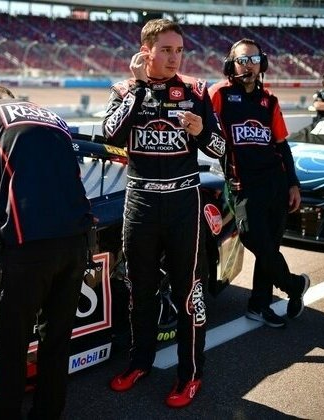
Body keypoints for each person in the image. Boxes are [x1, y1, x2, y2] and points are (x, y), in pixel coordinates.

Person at [101, 19, 226, 409]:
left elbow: (222, 149)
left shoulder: (196, 90)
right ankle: (140, 362)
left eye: (179, 50)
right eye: (167, 50)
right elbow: (110, 136)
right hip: (139, 204)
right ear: (146, 50)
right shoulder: (124, 88)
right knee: (140, 291)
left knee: (190, 292)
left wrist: (202, 131)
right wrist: (139, 89)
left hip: (183, 205)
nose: (175, 57)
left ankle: (190, 374)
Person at [0, 84, 93, 419]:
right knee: (56, 341)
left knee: (12, 347)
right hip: (76, 241)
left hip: (27, 247)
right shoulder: (54, 119)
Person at [208, 38, 310, 329]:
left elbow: (283, 146)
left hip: (275, 184)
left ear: (262, 64)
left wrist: (293, 184)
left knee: (271, 246)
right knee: (255, 240)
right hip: (242, 185)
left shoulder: (270, 100)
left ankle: (259, 305)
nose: (249, 65)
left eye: (254, 59)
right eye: (242, 60)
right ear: (231, 65)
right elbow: (203, 134)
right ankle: (294, 285)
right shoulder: (220, 95)